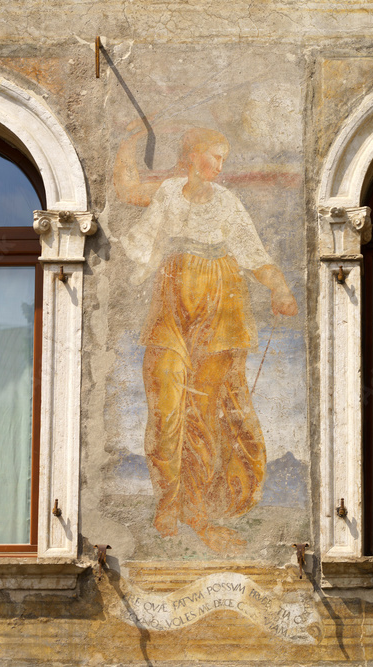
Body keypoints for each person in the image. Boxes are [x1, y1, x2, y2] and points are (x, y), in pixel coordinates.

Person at [114, 124, 297, 555]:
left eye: (224, 158)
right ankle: (167, 499)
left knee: (204, 415)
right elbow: (127, 191)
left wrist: (280, 288)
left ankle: (194, 510)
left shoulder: (229, 204)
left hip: (222, 309)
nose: (220, 166)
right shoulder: (169, 195)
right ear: (194, 156)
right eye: (215, 156)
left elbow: (255, 255)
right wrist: (126, 142)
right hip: (173, 310)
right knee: (167, 408)